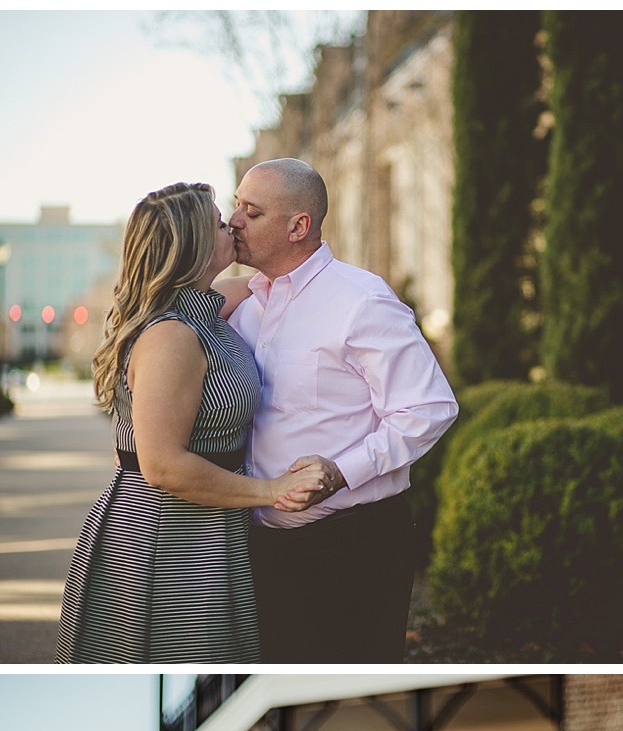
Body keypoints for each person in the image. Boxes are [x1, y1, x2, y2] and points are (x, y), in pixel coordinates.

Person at [55, 182, 332, 664]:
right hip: (166, 539)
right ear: (195, 246)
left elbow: (285, 277)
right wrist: (274, 490)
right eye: (221, 223)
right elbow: (161, 465)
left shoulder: (204, 308)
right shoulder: (171, 337)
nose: (234, 226)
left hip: (211, 526)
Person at [214, 158, 459, 663]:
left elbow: (429, 406)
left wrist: (341, 471)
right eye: (236, 206)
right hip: (260, 550)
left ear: (298, 226)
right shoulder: (245, 306)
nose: (234, 221)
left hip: (352, 547)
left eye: (251, 212)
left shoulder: (361, 300)